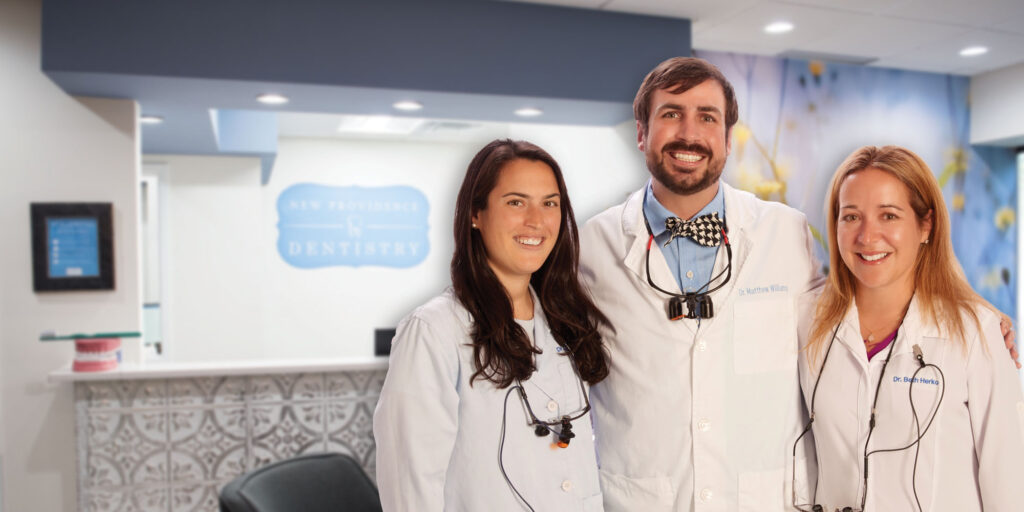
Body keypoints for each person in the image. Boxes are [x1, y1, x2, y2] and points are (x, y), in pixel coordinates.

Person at [579, 56, 823, 511]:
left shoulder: (786, 234)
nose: (689, 133)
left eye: (707, 117)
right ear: (641, 133)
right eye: (671, 113)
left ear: (728, 139)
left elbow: (837, 348)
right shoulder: (593, 244)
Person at [374, 139, 610, 511]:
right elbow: (411, 487)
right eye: (516, 202)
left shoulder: (567, 321)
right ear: (475, 214)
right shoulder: (434, 331)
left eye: (550, 203)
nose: (536, 220)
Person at [794, 145, 1024, 511]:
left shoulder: (976, 332)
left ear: (926, 225)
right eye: (851, 216)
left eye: (888, 215)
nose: (867, 236)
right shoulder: (806, 320)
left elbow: (1010, 486)